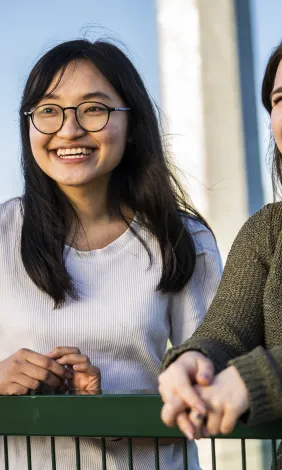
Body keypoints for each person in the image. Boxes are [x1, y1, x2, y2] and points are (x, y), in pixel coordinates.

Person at [0, 39, 222, 470]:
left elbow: (215, 392)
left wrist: (102, 409)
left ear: (132, 123)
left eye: (94, 109)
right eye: (48, 110)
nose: (69, 129)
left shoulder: (183, 239)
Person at [159, 39, 282, 468]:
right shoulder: (268, 230)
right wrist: (195, 361)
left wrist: (262, 379)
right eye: (280, 99)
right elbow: (226, 331)